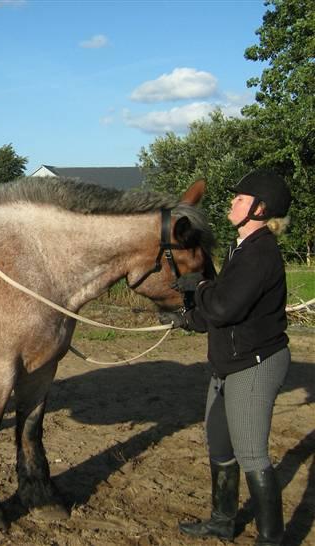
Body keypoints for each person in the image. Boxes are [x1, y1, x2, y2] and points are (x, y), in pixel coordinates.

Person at [160, 169, 292, 545]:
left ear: (260, 209)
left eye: (240, 199)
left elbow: (223, 307)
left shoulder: (260, 253)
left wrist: (199, 285)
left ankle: (271, 539)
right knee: (219, 443)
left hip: (254, 364)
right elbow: (217, 312)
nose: (232, 203)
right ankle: (223, 521)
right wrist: (187, 318)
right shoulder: (242, 249)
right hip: (228, 363)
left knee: (251, 454)